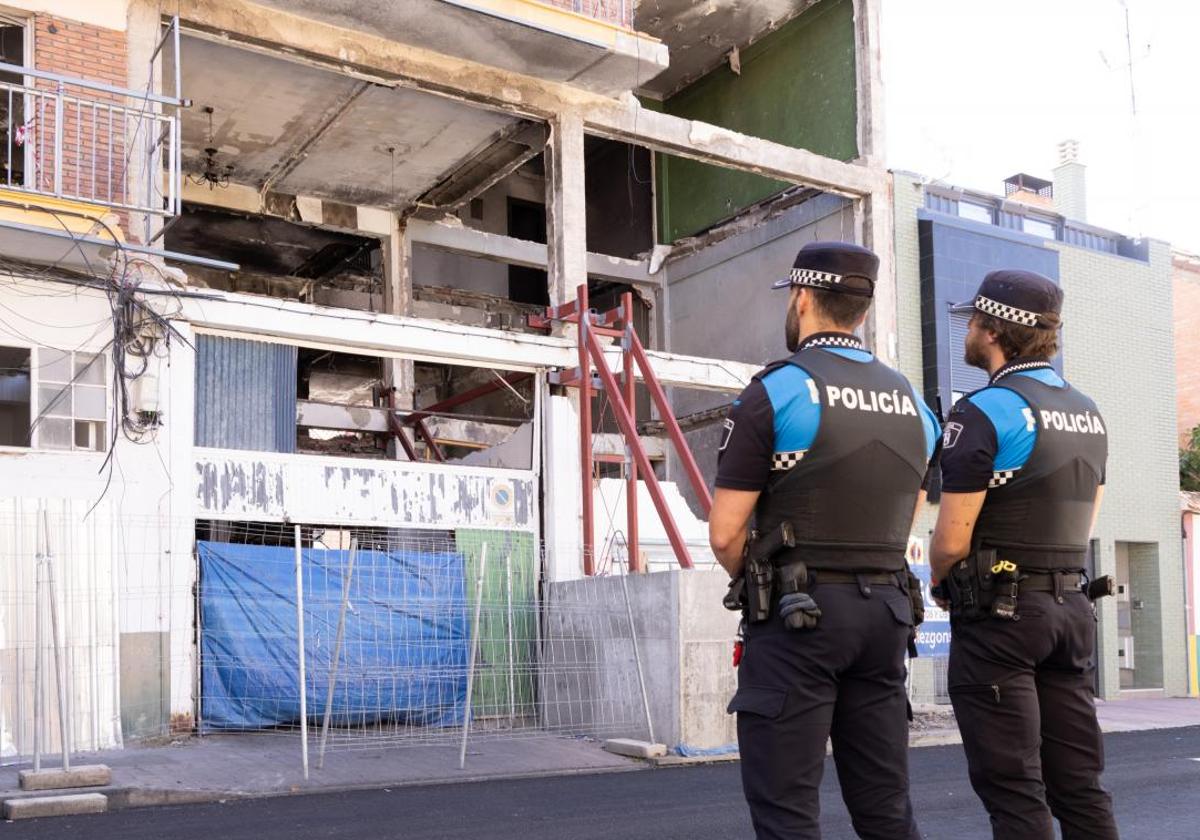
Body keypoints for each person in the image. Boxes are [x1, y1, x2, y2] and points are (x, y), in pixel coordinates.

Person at [709, 241, 938, 840]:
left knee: (787, 811)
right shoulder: (914, 404)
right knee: (887, 807)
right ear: (860, 310)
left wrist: (759, 580)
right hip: (886, 615)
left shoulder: (776, 391)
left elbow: (725, 531)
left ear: (803, 297)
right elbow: (913, 506)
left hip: (797, 617)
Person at [928, 269, 1117, 839]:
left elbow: (951, 541)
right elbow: (1088, 517)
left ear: (991, 329)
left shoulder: (984, 409)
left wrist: (944, 584)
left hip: (1003, 617)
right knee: (1079, 784)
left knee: (1014, 788)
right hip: (1071, 608)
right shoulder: (1089, 412)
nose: (968, 331)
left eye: (973, 322)